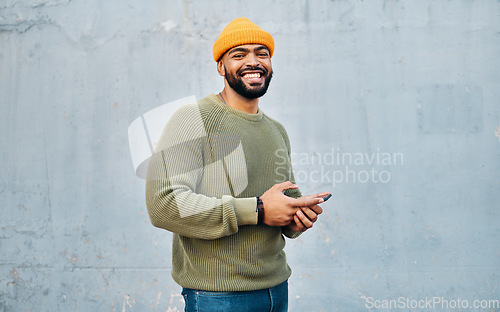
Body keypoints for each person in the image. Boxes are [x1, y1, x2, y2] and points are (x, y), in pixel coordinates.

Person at [145, 17, 330, 312]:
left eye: (262, 53)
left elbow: (282, 205)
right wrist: (257, 209)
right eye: (239, 55)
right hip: (218, 296)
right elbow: (164, 205)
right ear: (221, 67)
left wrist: (297, 217)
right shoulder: (193, 119)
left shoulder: (276, 130)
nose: (253, 62)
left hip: (277, 289)